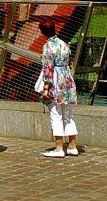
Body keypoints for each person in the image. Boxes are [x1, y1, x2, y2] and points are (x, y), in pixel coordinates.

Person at [38, 18, 79, 157]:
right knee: (68, 114)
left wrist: (45, 89)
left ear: (43, 32)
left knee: (55, 114)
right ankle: (73, 146)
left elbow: (48, 70)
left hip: (55, 80)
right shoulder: (64, 44)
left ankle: (59, 148)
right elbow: (69, 63)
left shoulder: (47, 47)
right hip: (67, 80)